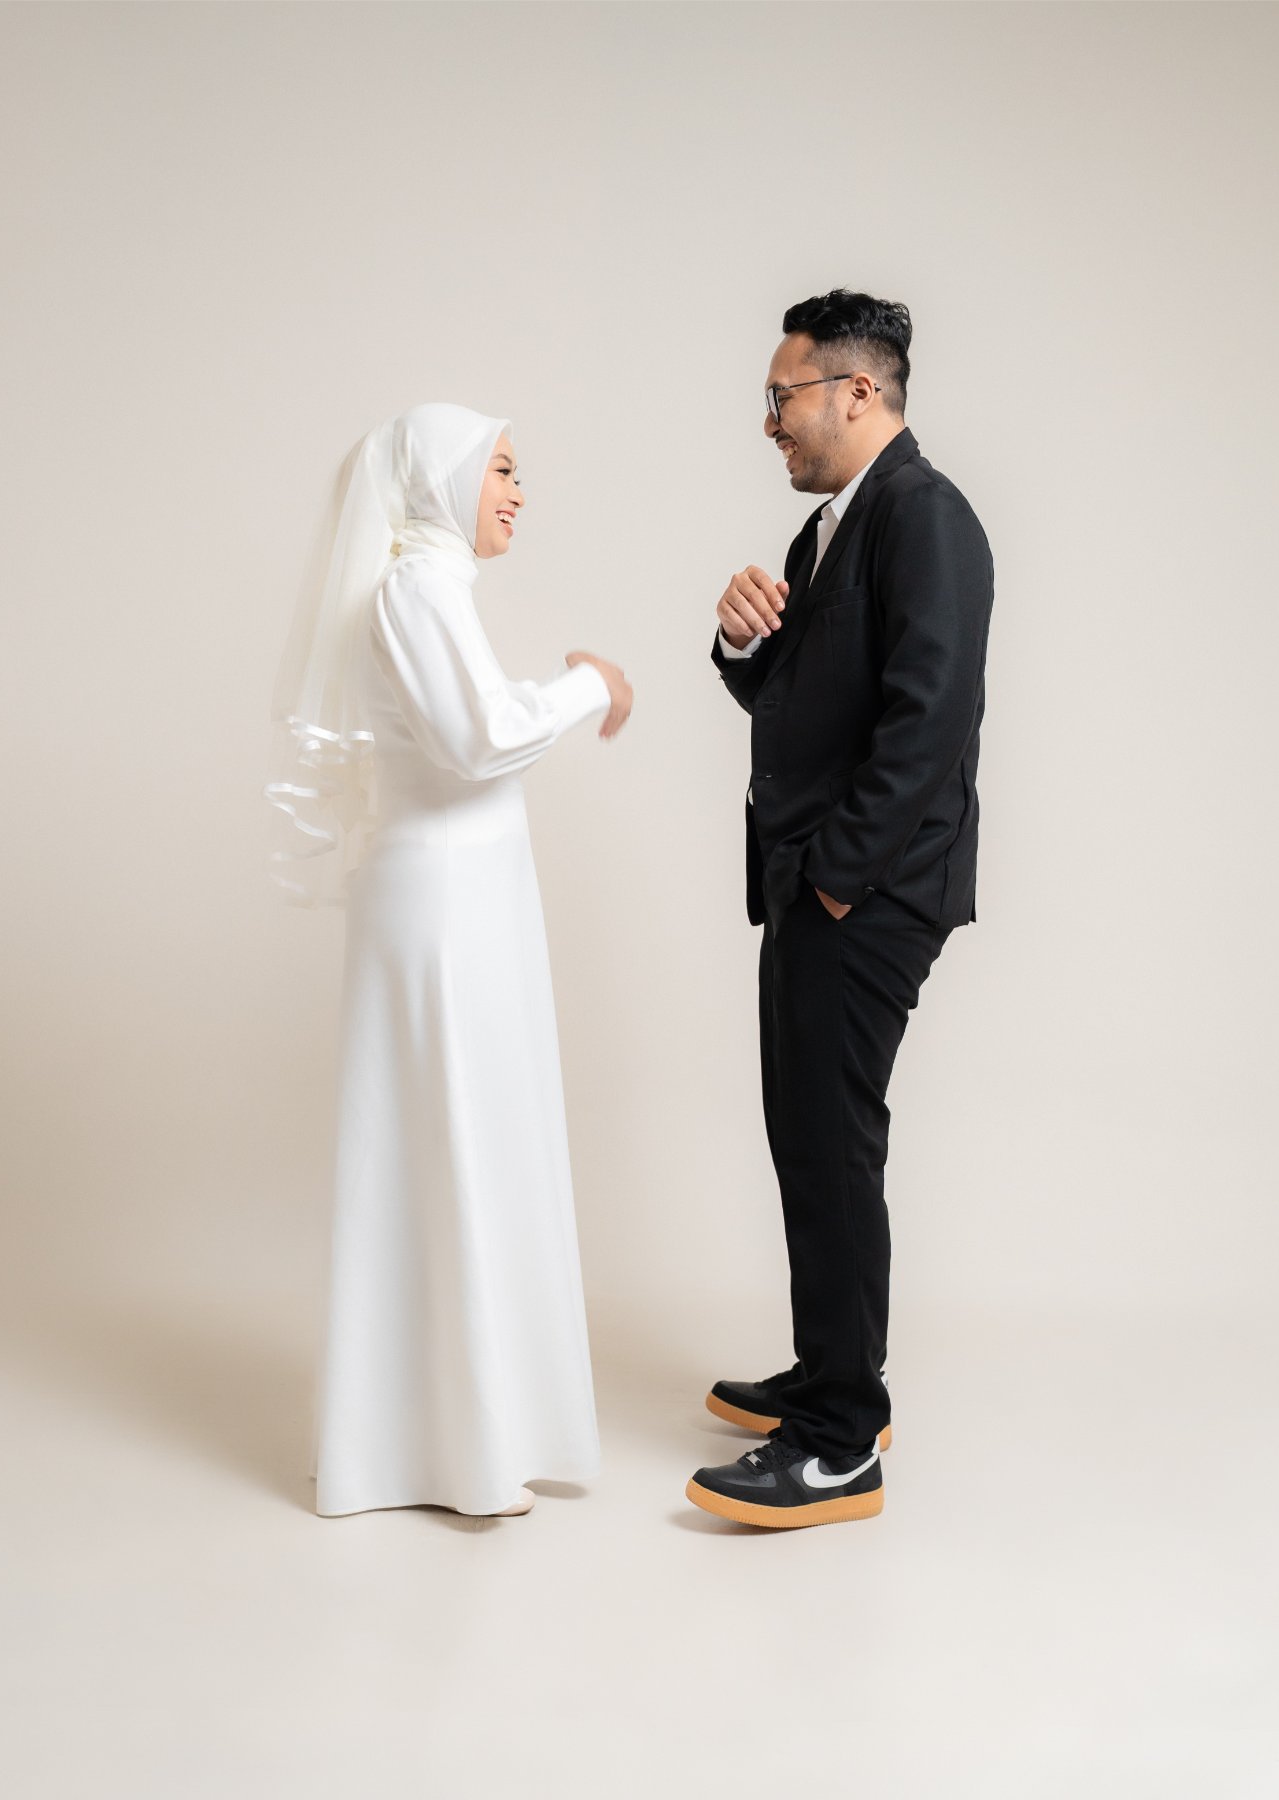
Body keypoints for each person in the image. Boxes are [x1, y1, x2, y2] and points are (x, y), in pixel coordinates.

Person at [265, 403, 633, 1519]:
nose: (517, 491)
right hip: (442, 909)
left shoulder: (426, 587)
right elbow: (479, 740)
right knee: (456, 1141)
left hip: (457, 899)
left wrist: (562, 691)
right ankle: (460, 1454)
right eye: (501, 468)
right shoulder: (419, 586)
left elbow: (464, 727)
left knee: (447, 1146)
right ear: (441, 479)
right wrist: (590, 684)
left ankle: (437, 1440)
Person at [688, 290, 994, 1529]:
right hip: (817, 883)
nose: (769, 422)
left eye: (782, 397)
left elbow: (930, 720)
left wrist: (835, 875)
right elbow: (805, 704)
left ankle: (837, 1444)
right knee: (810, 1138)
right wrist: (742, 646)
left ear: (856, 391)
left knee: (829, 1143)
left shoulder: (926, 516)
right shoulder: (830, 530)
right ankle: (831, 1376)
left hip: (864, 891)